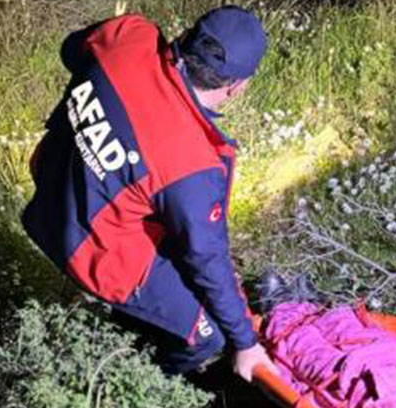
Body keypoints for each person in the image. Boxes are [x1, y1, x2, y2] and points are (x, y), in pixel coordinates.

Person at [21, 6, 278, 382]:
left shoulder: (131, 34)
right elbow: (206, 258)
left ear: (190, 36)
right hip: (85, 245)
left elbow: (70, 50)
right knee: (208, 336)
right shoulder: (192, 162)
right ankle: (132, 381)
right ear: (237, 87)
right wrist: (245, 342)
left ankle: (134, 319)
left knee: (169, 229)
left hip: (52, 186)